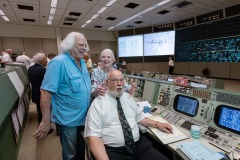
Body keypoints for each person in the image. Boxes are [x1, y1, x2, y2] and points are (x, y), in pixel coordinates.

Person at [84, 70, 173, 160]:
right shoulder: (98, 103)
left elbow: (140, 118)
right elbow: (93, 136)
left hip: (138, 146)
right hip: (114, 151)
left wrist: (157, 124)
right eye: (115, 80)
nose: (119, 83)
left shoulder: (128, 98)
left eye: (121, 80)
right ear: (107, 82)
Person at [33, 32, 91, 160]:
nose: (84, 48)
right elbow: (45, 92)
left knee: (81, 152)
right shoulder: (58, 62)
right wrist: (45, 121)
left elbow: (84, 88)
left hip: (84, 118)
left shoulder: (82, 62)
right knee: (70, 155)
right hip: (68, 121)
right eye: (81, 45)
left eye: (85, 45)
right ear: (70, 45)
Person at [28, 52, 54, 135]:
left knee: (40, 111)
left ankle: (41, 125)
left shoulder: (30, 68)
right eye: (45, 59)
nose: (46, 61)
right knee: (45, 112)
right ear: (41, 61)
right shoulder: (43, 70)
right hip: (43, 95)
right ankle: (46, 128)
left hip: (35, 93)